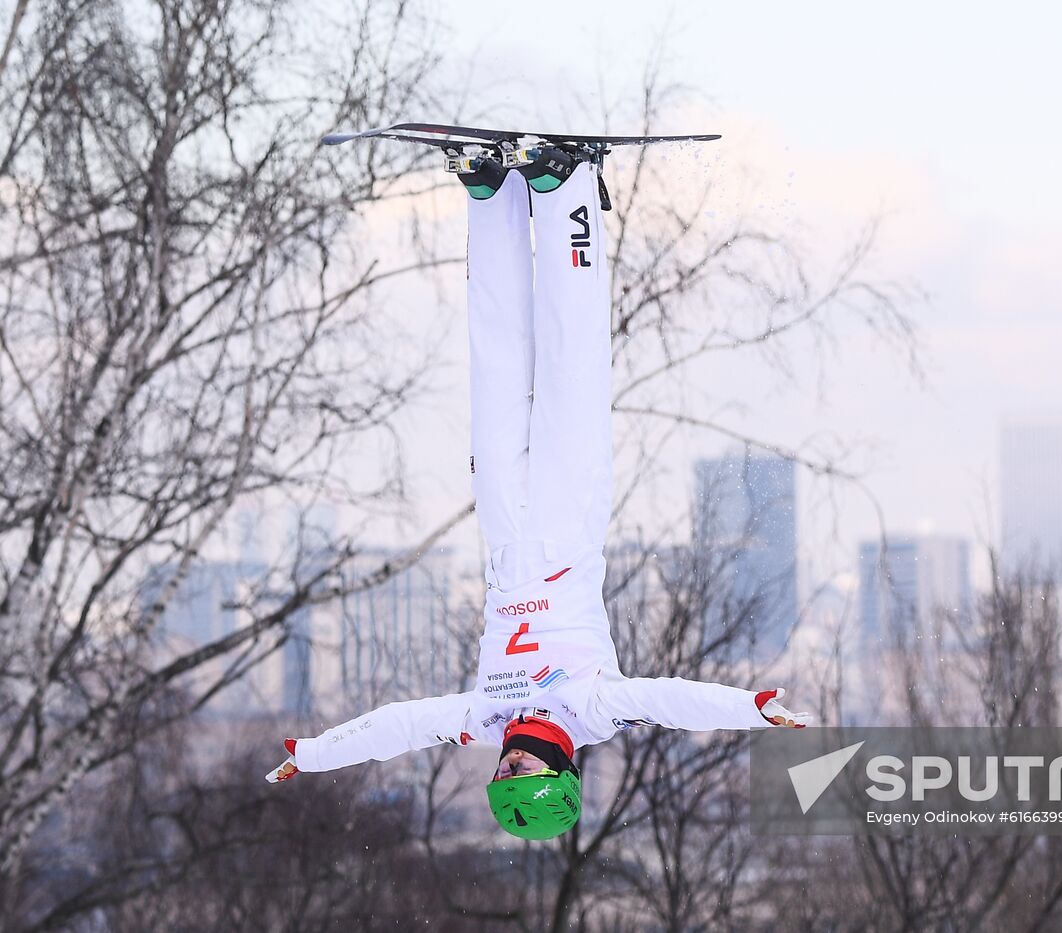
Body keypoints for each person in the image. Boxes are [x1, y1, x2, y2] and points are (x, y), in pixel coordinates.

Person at [266, 146, 812, 840]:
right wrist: (754, 707)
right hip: (567, 510)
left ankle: (491, 197)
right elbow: (673, 700)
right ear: (558, 767)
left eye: (503, 773)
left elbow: (400, 725)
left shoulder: (483, 718)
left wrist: (313, 754)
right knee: (568, 356)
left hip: (503, 525)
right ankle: (564, 192)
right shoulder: (594, 709)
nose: (507, 761)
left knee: (495, 360)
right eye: (522, 770)